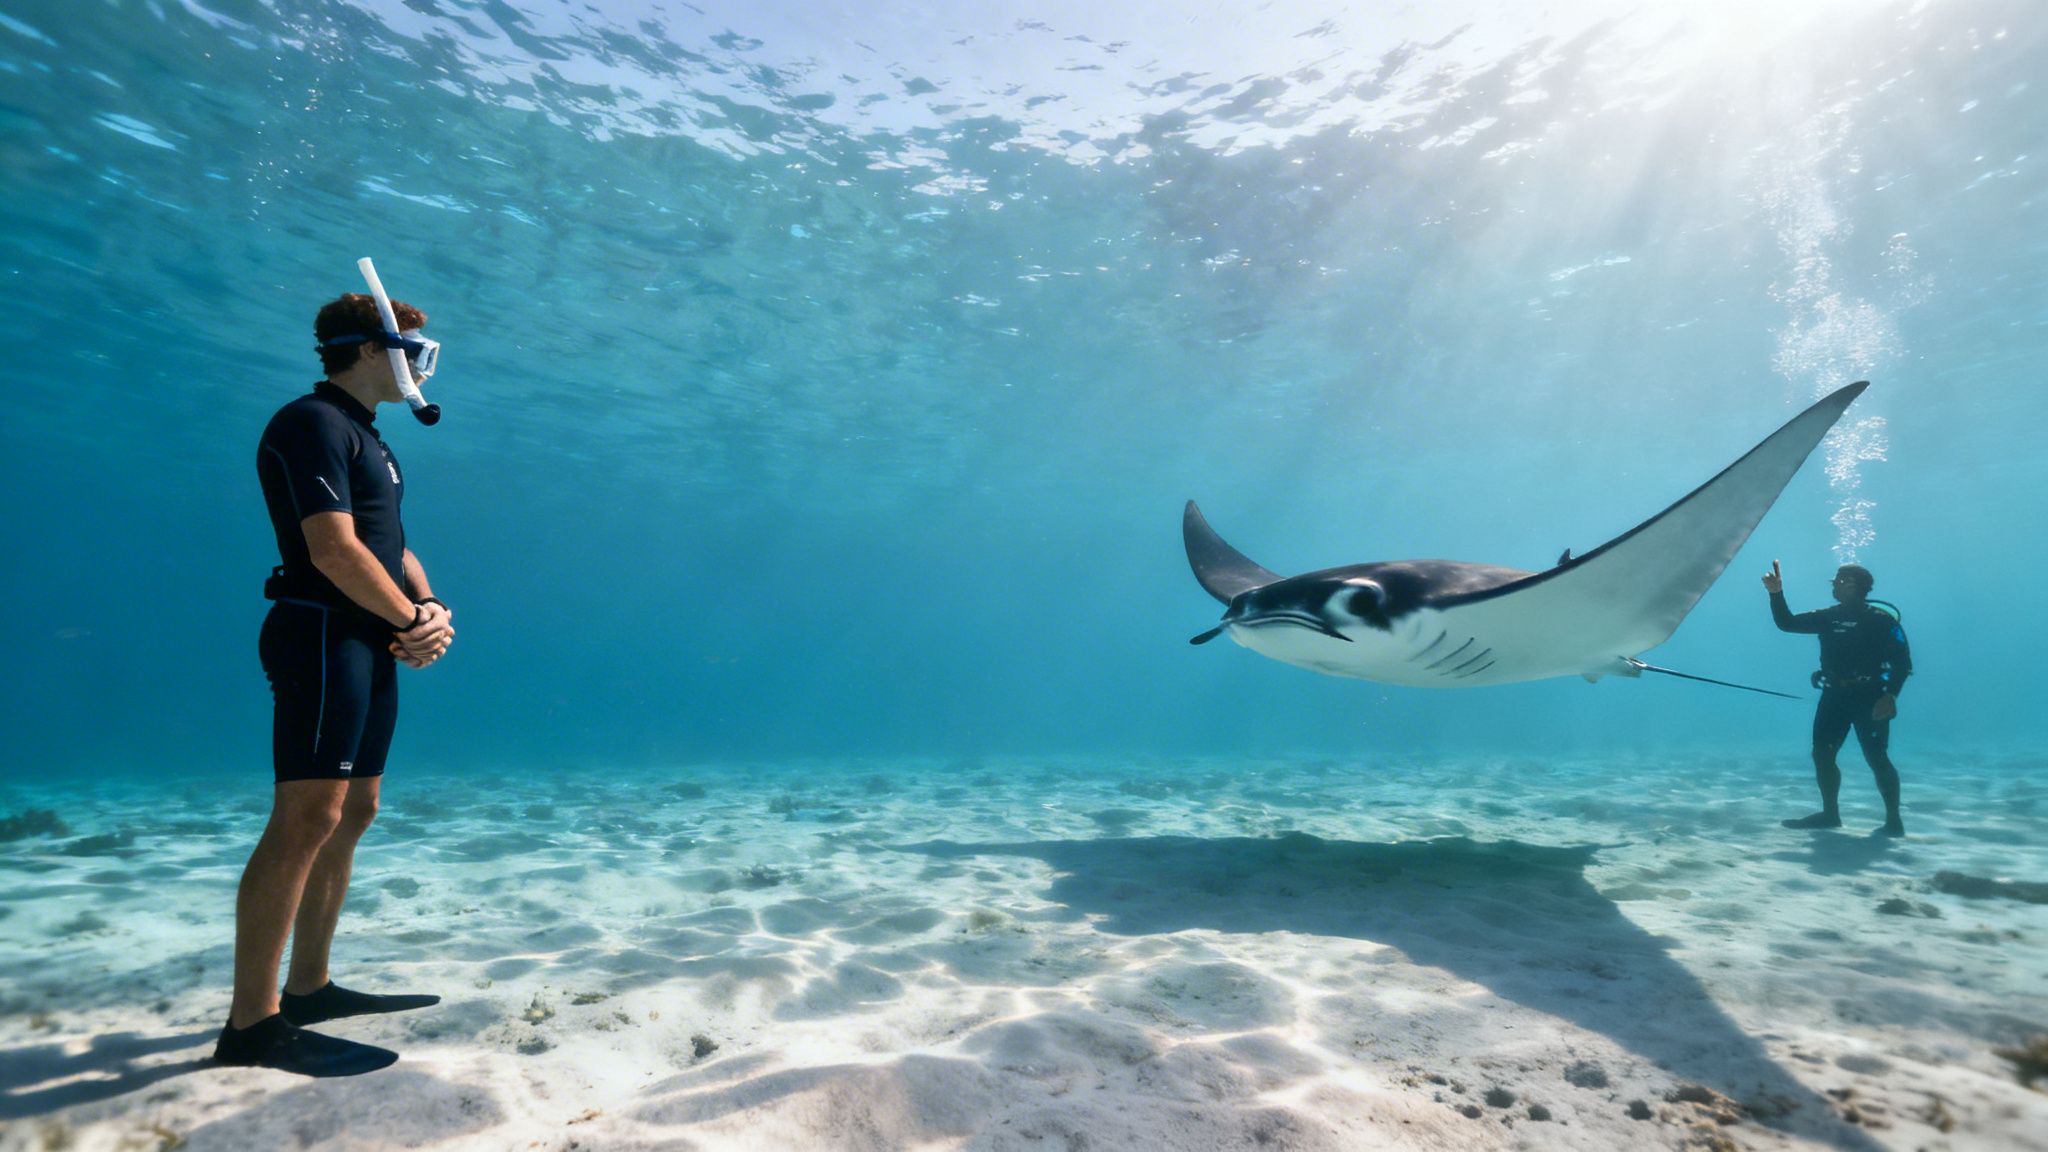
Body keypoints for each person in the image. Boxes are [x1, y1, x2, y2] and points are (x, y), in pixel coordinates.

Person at [214, 290, 456, 1076]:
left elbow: (393, 546)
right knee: (306, 816)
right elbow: (333, 550)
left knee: (356, 808)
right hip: (320, 634)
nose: (422, 365)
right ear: (367, 349)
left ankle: (310, 987)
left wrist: (423, 608)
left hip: (366, 635)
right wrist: (408, 623)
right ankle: (252, 1024)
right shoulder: (309, 423)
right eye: (413, 349)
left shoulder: (370, 438)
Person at [1762, 559, 1912, 837]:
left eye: (1845, 581)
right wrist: (1776, 593)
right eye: (1836, 580)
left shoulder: (1881, 621)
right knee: (1822, 753)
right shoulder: (1828, 616)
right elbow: (1787, 623)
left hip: (1870, 697)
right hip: (1834, 696)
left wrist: (1890, 695)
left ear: (1862, 588)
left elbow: (1903, 663)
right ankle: (1830, 814)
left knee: (1876, 756)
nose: (1837, 585)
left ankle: (1894, 821)